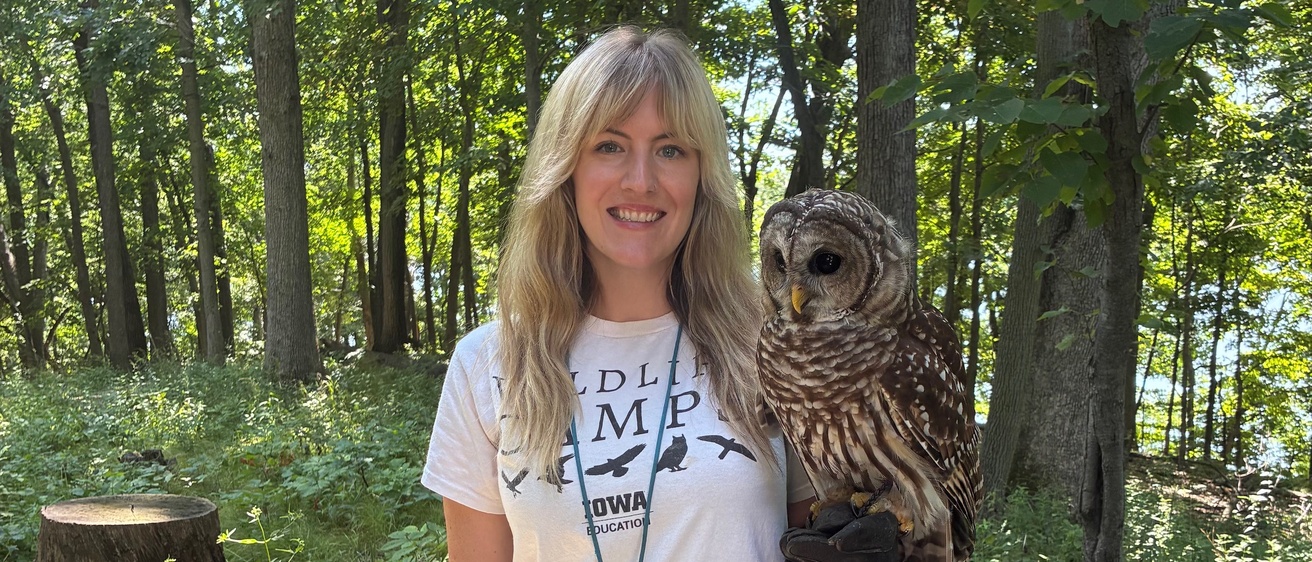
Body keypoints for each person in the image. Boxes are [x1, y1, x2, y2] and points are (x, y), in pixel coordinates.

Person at [422, 26, 893, 562]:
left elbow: (817, 532)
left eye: (670, 149)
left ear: (701, 175)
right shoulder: (487, 363)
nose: (641, 180)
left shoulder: (775, 350)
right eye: (609, 146)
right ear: (566, 170)